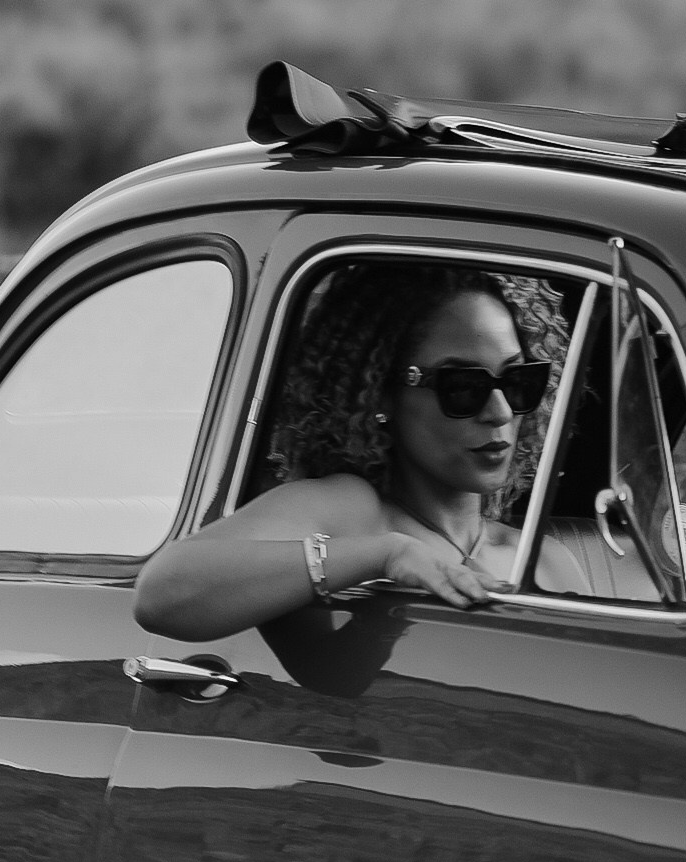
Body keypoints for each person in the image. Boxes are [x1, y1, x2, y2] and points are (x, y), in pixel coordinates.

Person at [134, 262, 555, 639]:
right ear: (383, 396)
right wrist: (385, 555)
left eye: (518, 381)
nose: (499, 412)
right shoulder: (352, 510)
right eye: (463, 388)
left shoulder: (546, 558)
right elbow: (163, 593)